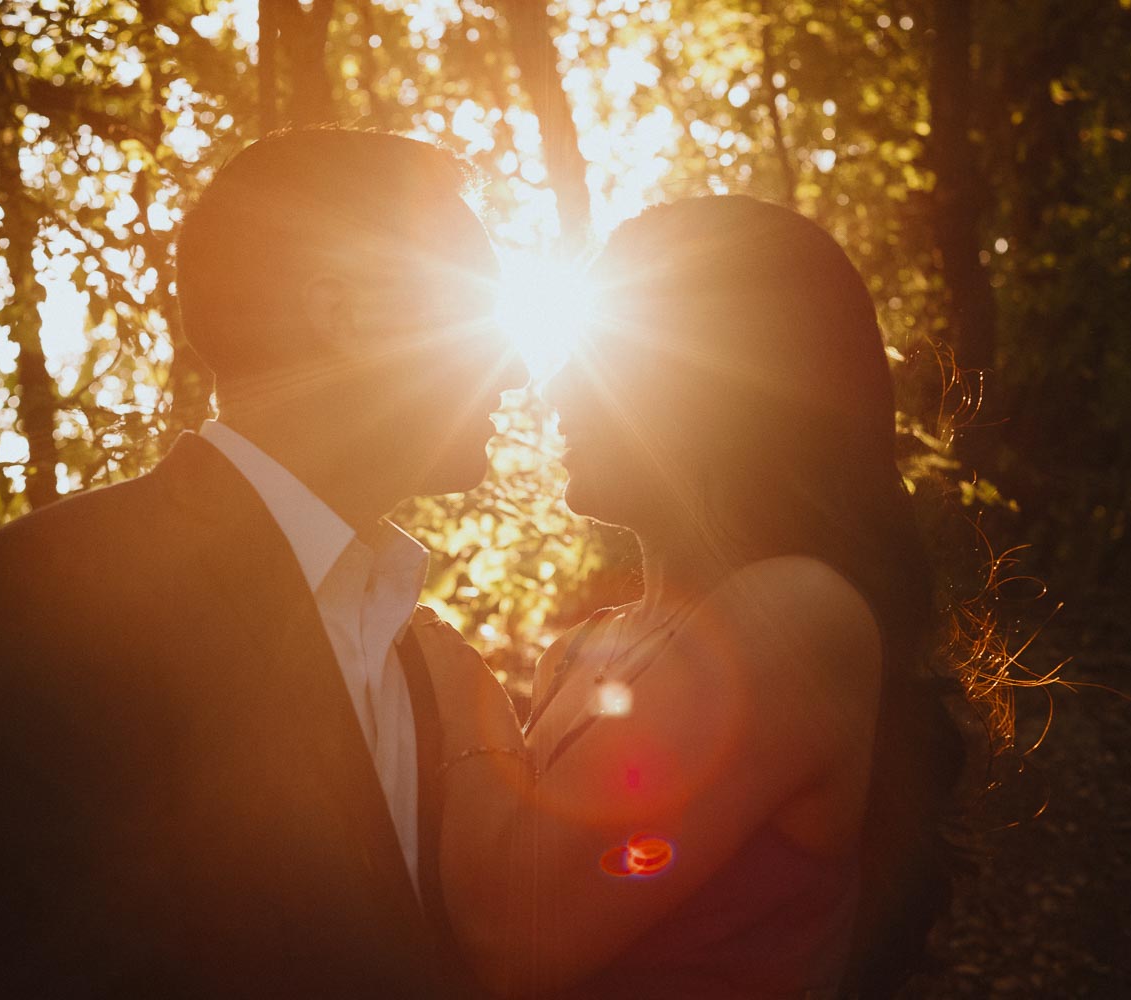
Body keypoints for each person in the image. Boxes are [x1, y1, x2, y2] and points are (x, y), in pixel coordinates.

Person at [0, 126, 524, 998]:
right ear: (344, 316)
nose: (519, 371)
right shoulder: (52, 599)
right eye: (481, 317)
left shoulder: (410, 650)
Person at [417, 195, 979, 998]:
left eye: (599, 350)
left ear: (715, 379)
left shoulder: (803, 618)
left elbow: (511, 936)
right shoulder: (581, 653)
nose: (557, 386)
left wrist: (448, 677)